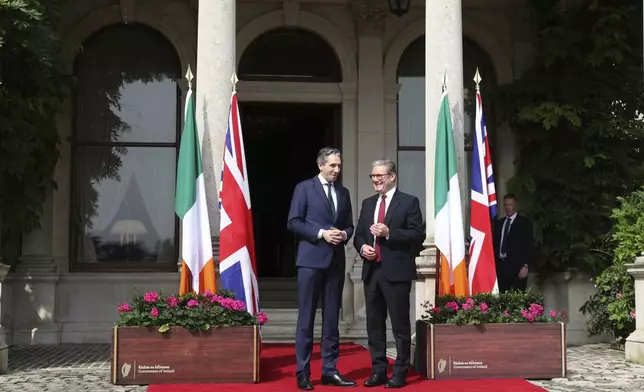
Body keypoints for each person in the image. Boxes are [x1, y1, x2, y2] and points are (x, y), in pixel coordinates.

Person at [287, 147, 356, 390]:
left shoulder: (344, 192)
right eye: (332, 166)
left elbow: (349, 225)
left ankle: (329, 370)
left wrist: (344, 234)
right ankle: (303, 372)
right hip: (310, 262)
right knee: (306, 319)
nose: (337, 170)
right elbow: (293, 222)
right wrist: (321, 233)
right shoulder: (304, 188)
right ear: (320, 165)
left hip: (335, 262)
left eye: (339, 166)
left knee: (331, 320)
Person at [353, 159, 423, 389]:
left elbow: (416, 235)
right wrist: (363, 248)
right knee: (374, 325)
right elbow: (359, 235)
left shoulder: (409, 202)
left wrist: (389, 232)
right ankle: (379, 370)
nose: (376, 180)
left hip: (397, 273)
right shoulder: (367, 203)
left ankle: (401, 371)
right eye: (373, 176)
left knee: (400, 326)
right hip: (372, 272)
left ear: (392, 176)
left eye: (380, 176)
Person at [492, 194, 535, 292]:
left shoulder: (524, 223)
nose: (508, 208)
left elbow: (529, 245)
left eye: (510, 205)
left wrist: (526, 265)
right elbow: (495, 244)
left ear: (515, 206)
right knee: (501, 297)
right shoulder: (499, 223)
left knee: (518, 296)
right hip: (501, 267)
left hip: (517, 268)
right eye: (506, 205)